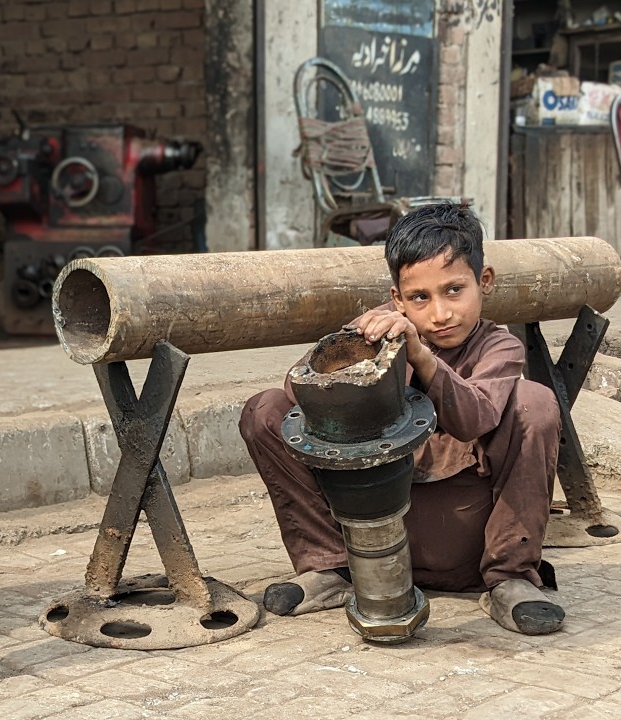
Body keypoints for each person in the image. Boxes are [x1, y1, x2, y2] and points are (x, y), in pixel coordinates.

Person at [239, 203, 566, 635]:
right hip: (369, 544)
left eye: (454, 290)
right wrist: (357, 346)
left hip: (466, 545)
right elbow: (298, 396)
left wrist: (420, 356)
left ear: (483, 282)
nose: (440, 313)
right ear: (397, 299)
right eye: (419, 298)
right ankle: (330, 568)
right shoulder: (382, 334)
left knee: (534, 402)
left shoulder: (498, 349)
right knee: (264, 410)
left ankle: (511, 580)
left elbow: (473, 419)